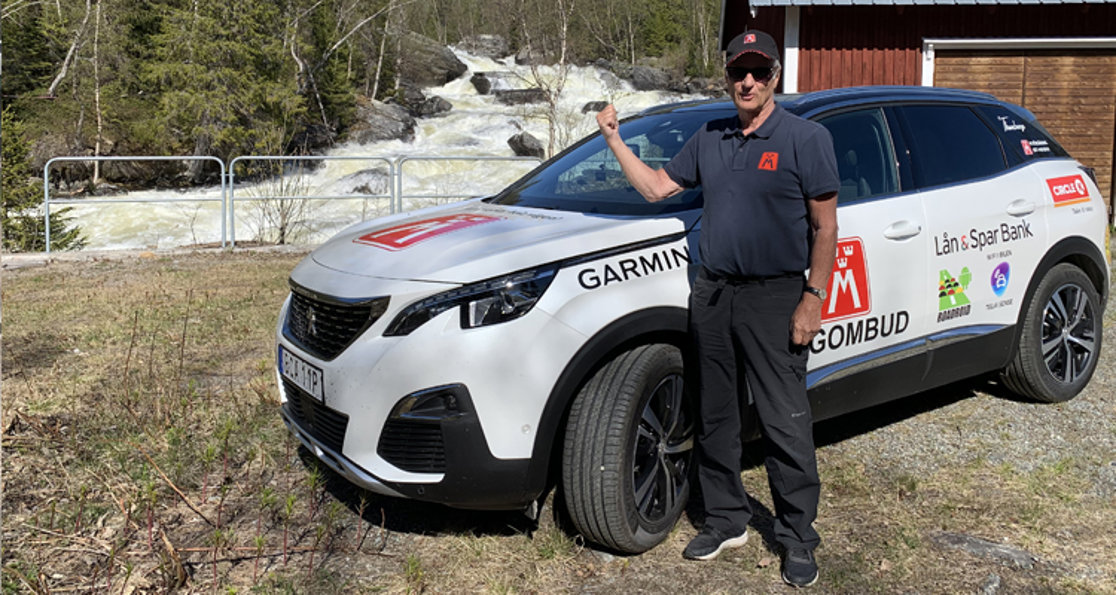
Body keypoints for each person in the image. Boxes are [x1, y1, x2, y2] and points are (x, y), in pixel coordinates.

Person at [595, 30, 839, 588]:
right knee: (716, 414)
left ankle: (799, 536)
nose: (746, 81)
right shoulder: (709, 137)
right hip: (713, 292)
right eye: (737, 71)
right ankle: (727, 519)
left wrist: (812, 298)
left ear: (774, 76)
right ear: (725, 75)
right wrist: (613, 139)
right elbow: (658, 188)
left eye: (757, 71)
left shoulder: (806, 138)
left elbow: (826, 227)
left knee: (784, 420)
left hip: (776, 296)